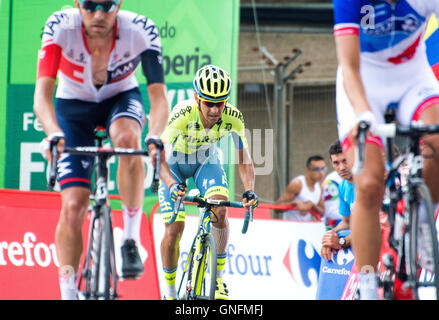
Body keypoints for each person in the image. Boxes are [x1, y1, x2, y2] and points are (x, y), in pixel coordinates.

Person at [34, 0, 182, 300]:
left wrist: (155, 135)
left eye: (107, 5)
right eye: (90, 5)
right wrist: (53, 134)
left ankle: (129, 237)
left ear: (119, 5)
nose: (99, 14)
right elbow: (42, 95)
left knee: (129, 141)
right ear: (78, 4)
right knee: (74, 205)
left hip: (120, 99)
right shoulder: (60, 26)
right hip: (72, 107)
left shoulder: (140, 29)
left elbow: (158, 97)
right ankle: (68, 291)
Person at [333, 0, 439, 300]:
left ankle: (421, 225)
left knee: (437, 140)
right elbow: (349, 66)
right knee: (368, 183)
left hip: (412, 77)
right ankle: (366, 285)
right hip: (363, 83)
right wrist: (364, 114)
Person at [158, 64, 259, 300]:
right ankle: (170, 292)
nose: (215, 110)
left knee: (220, 209)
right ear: (196, 98)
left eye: (220, 103)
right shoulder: (182, 114)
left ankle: (219, 279)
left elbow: (244, 159)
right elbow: (158, 157)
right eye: (208, 103)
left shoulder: (233, 117)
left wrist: (249, 190)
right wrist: (172, 184)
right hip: (173, 163)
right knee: (175, 228)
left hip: (205, 160)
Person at [320, 141, 354, 261]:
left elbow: (376, 226)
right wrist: (329, 237)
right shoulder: (343, 186)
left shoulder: (367, 183)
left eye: (345, 161)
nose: (342, 167)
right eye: (336, 163)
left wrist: (342, 241)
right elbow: (347, 222)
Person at [276, 155, 325, 221]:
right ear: (308, 170)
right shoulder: (297, 184)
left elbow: (322, 212)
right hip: (290, 227)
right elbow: (277, 208)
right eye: (316, 169)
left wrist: (312, 205)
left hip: (305, 227)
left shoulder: (319, 187)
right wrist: (294, 203)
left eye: (323, 169)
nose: (321, 173)